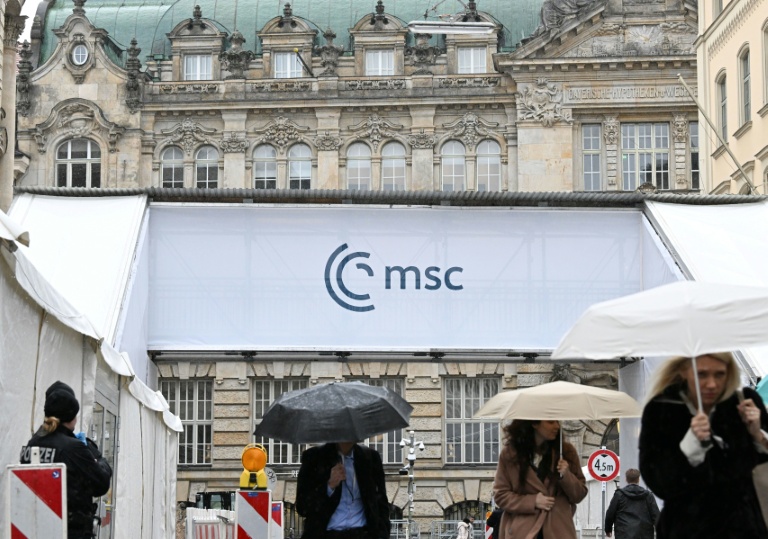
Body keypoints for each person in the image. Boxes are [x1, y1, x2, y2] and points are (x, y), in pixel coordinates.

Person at [639, 353, 768, 539]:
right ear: (684, 372)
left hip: (745, 527)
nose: (712, 384)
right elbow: (658, 482)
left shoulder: (745, 403)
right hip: (687, 529)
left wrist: (758, 434)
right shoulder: (662, 409)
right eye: (702, 374)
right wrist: (691, 445)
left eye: (719, 374)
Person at [19, 381, 112, 539]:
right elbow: (101, 484)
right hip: (71, 531)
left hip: (36, 528)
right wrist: (95, 456)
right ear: (72, 417)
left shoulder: (33, 442)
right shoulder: (74, 448)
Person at [493, 419, 587, 539]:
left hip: (558, 530)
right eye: (550, 422)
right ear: (534, 423)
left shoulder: (566, 452)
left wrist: (566, 475)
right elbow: (501, 495)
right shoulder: (510, 455)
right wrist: (532, 501)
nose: (557, 426)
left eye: (557, 422)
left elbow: (579, 495)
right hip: (523, 531)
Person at [296, 440, 390, 539]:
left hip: (363, 533)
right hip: (326, 534)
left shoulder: (370, 458)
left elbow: (381, 501)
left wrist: (383, 533)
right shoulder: (314, 457)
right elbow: (302, 507)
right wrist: (329, 486)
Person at [604, 468, 659, 539]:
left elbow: (610, 513)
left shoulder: (619, 495)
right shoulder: (648, 495)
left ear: (626, 479)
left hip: (623, 533)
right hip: (644, 534)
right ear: (638, 479)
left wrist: (608, 529)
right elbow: (656, 515)